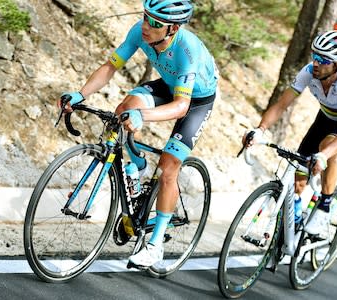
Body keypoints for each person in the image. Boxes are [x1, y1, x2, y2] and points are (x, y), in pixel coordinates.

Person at [59, 0, 218, 268]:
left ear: (173, 28)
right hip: (168, 85)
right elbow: (110, 67)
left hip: (195, 101)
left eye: (155, 22)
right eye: (145, 17)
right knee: (123, 109)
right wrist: (80, 94)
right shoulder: (139, 31)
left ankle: (154, 246)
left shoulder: (186, 51)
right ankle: (138, 166)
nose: (146, 25)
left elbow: (181, 107)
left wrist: (142, 116)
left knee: (168, 168)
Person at [244, 30, 337, 235]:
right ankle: (291, 226)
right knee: (298, 178)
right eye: (314, 56)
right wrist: (260, 130)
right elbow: (281, 105)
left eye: (323, 59)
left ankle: (324, 206)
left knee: (326, 147)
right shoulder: (309, 71)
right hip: (325, 119)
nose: (316, 63)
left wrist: (324, 156)